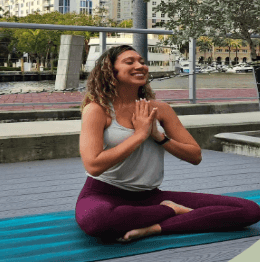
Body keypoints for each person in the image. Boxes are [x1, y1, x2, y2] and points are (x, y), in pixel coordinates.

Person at [75, 45, 260, 242]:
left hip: (150, 197)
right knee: (97, 220)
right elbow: (93, 165)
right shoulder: (97, 109)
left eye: (142, 62)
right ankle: (169, 210)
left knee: (249, 210)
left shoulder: (160, 109)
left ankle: (155, 226)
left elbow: (195, 155)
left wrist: (159, 137)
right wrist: (139, 135)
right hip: (103, 194)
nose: (140, 66)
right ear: (110, 71)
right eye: (130, 62)